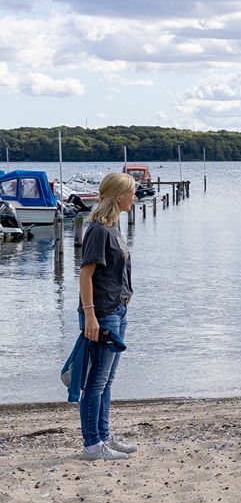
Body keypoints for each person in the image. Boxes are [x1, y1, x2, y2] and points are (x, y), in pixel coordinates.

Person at [77, 173, 139, 461]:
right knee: (96, 382)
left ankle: (103, 435)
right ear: (118, 196)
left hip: (118, 310)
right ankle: (92, 444)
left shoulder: (113, 227)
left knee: (107, 380)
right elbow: (86, 274)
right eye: (132, 193)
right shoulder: (99, 230)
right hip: (102, 313)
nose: (135, 197)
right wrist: (90, 316)